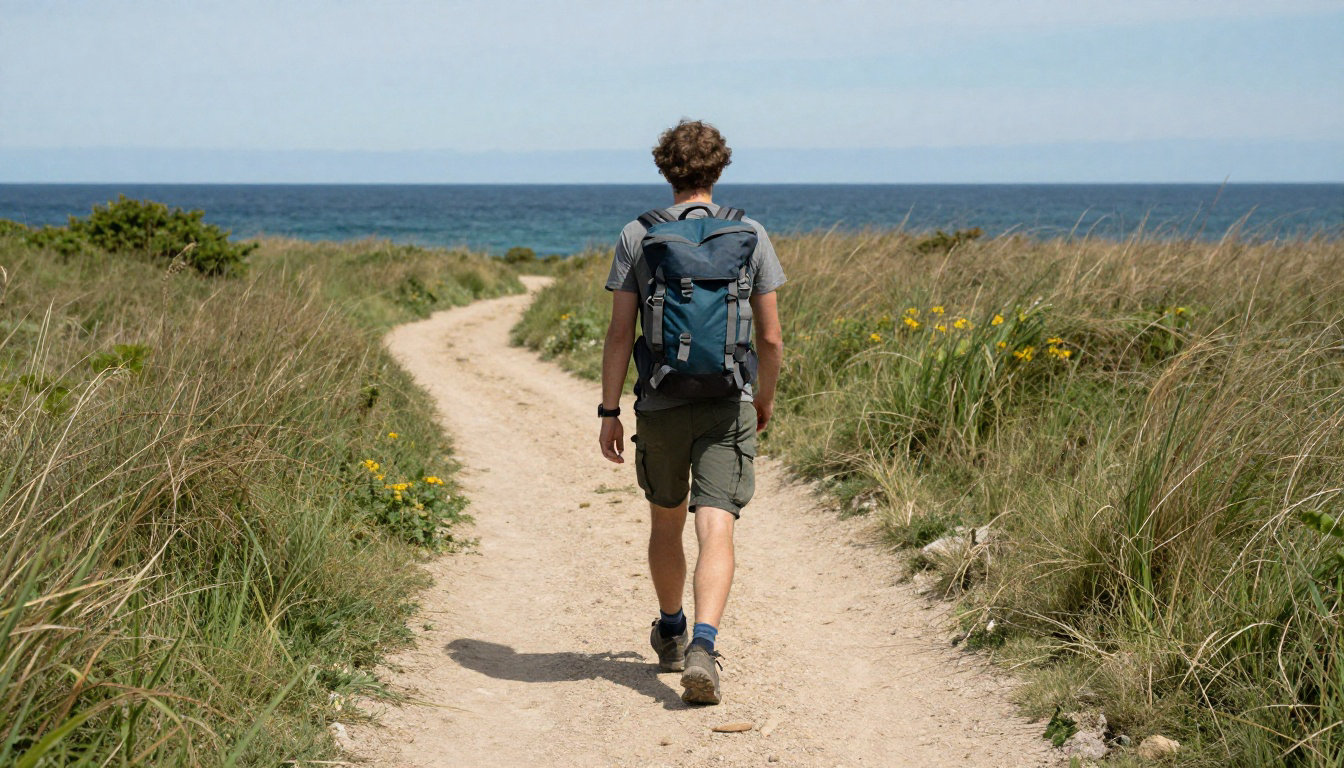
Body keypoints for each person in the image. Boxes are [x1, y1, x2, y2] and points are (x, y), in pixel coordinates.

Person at [597, 119, 785, 705]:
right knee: (717, 524)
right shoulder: (750, 232)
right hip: (727, 401)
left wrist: (609, 410)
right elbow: (773, 338)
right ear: (719, 169)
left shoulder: (637, 234)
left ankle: (672, 627)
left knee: (666, 520)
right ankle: (705, 643)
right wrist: (764, 400)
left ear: (665, 170)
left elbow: (620, 332)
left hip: (659, 399)